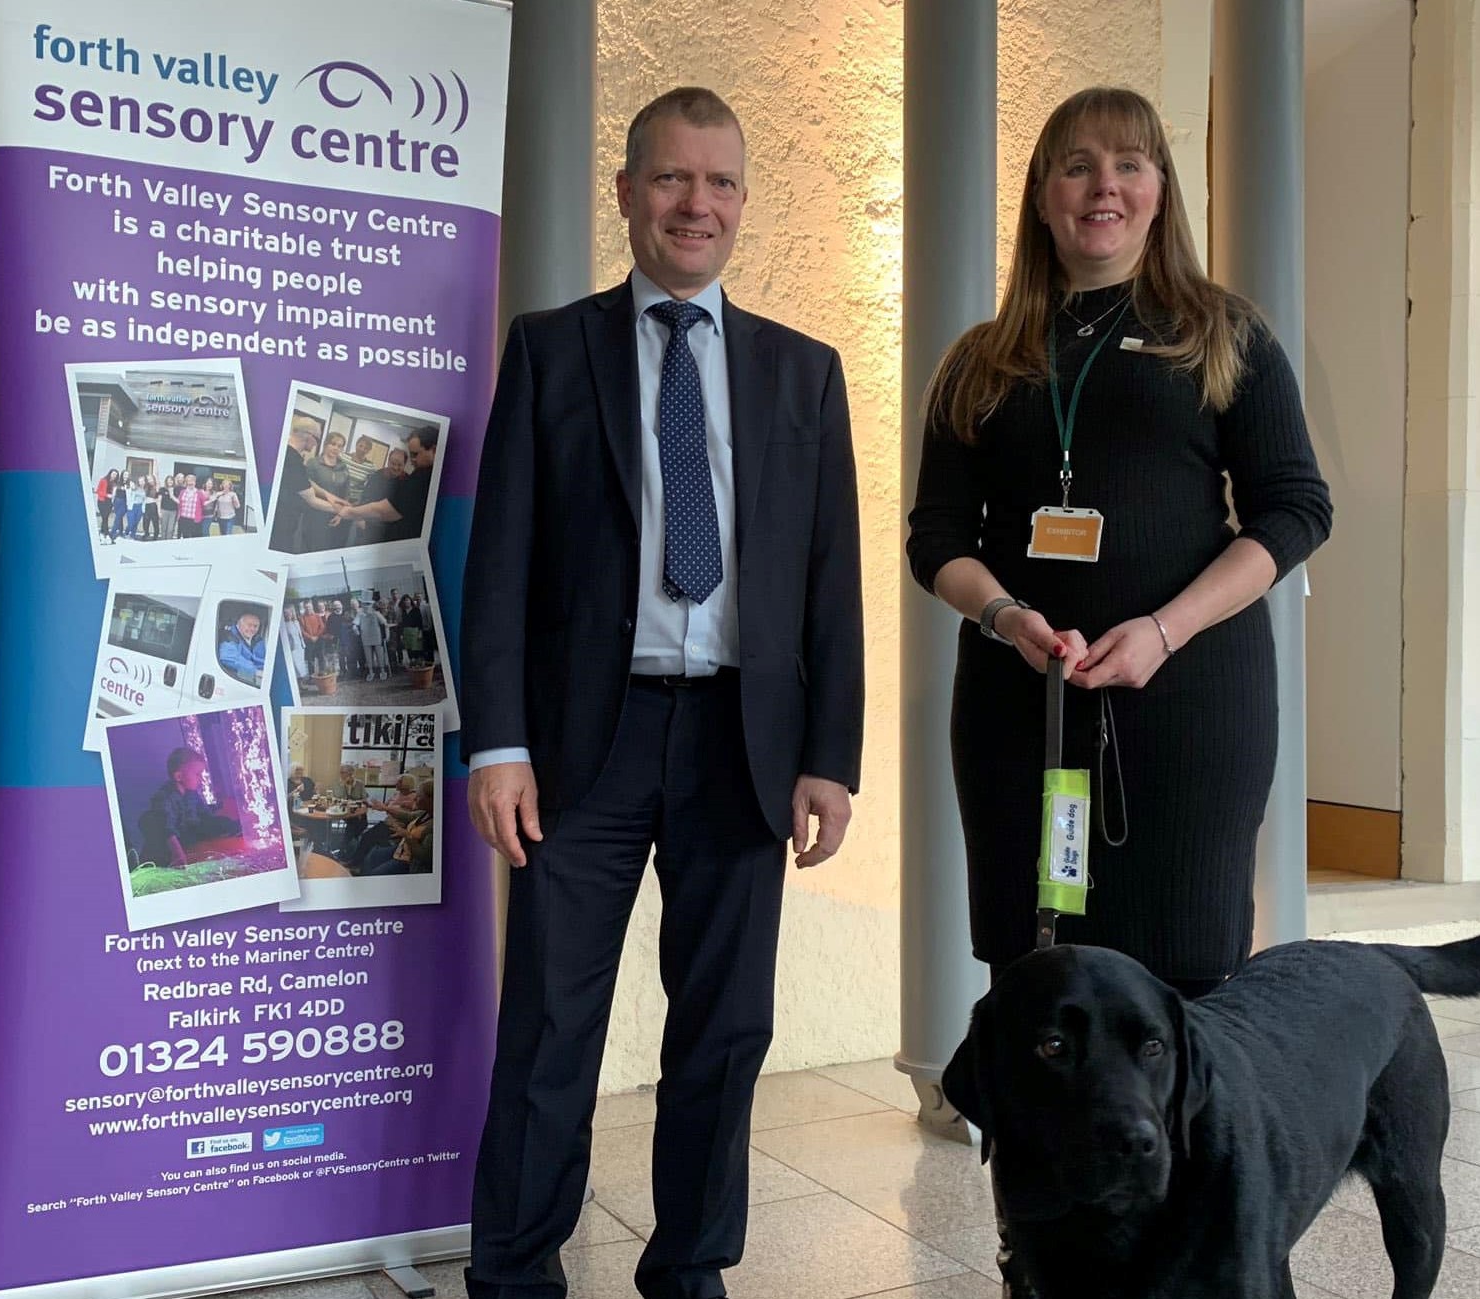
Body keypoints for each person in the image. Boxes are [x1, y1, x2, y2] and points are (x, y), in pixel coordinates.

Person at [905, 85, 1332, 1297]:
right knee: (1039, 998)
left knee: (1187, 992)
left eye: (1130, 165)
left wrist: (1163, 626)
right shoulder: (982, 360)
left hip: (1182, 715)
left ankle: (1206, 1265)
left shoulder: (1219, 335)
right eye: (1077, 165)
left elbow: (1294, 508)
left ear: (1160, 192)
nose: (1104, 185)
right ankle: (1034, 1269)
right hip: (1023, 715)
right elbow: (933, 529)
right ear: (1040, 196)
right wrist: (1002, 615)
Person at [460, 86, 863, 1299]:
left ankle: (688, 1270)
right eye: (673, 179)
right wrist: (497, 745)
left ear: (742, 201)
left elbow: (831, 581)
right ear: (627, 192)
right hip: (588, 740)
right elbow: (499, 568)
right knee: (547, 1028)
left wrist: (830, 757)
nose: (697, 204)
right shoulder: (548, 346)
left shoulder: (804, 373)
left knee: (725, 1032)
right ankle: (516, 1274)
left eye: (721, 182)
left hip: (744, 742)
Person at [322, 429, 437, 545]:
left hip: (387, 533)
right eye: (393, 463)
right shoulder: (376, 476)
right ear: (388, 461)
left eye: (400, 465)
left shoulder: (410, 480)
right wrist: (358, 517)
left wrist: (352, 512)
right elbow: (367, 499)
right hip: (362, 519)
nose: (396, 467)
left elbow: (384, 511)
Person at [135, 748, 240, 868]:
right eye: (197, 774)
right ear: (179, 776)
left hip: (189, 834)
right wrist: (178, 855)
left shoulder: (192, 794)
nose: (201, 779)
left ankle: (239, 828)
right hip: (172, 845)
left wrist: (225, 823)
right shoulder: (164, 798)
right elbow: (166, 829)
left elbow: (205, 817)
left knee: (221, 823)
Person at [273, 416, 322, 552]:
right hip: (282, 525)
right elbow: (312, 500)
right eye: (317, 439)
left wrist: (330, 496)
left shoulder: (285, 452)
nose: (316, 444)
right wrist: (342, 510)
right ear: (310, 436)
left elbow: (304, 480)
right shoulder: (293, 460)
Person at [216, 610, 266, 686]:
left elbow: (262, 661)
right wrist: (255, 671)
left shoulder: (257, 640)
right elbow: (228, 658)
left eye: (255, 626)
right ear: (239, 624)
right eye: (249, 625)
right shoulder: (229, 636)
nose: (252, 629)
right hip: (233, 681)